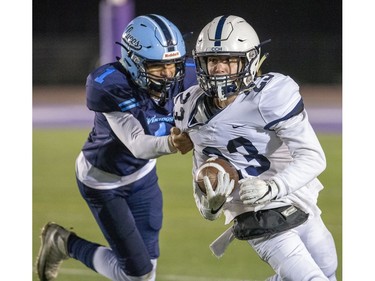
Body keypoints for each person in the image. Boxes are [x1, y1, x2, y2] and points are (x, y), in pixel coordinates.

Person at [173, 15, 338, 281]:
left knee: (328, 271)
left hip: (295, 198)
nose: (219, 68)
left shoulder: (270, 96)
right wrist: (210, 206)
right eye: (213, 60)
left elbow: (313, 157)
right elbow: (203, 174)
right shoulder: (189, 107)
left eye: (228, 59)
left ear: (249, 60)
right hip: (255, 215)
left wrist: (273, 187)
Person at [36, 14, 196, 281]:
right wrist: (171, 143)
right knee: (138, 275)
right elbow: (137, 144)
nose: (169, 75)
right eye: (158, 67)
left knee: (144, 273)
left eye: (173, 65)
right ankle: (64, 243)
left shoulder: (186, 75)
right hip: (102, 181)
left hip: (143, 176)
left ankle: (61, 242)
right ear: (133, 61)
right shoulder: (111, 85)